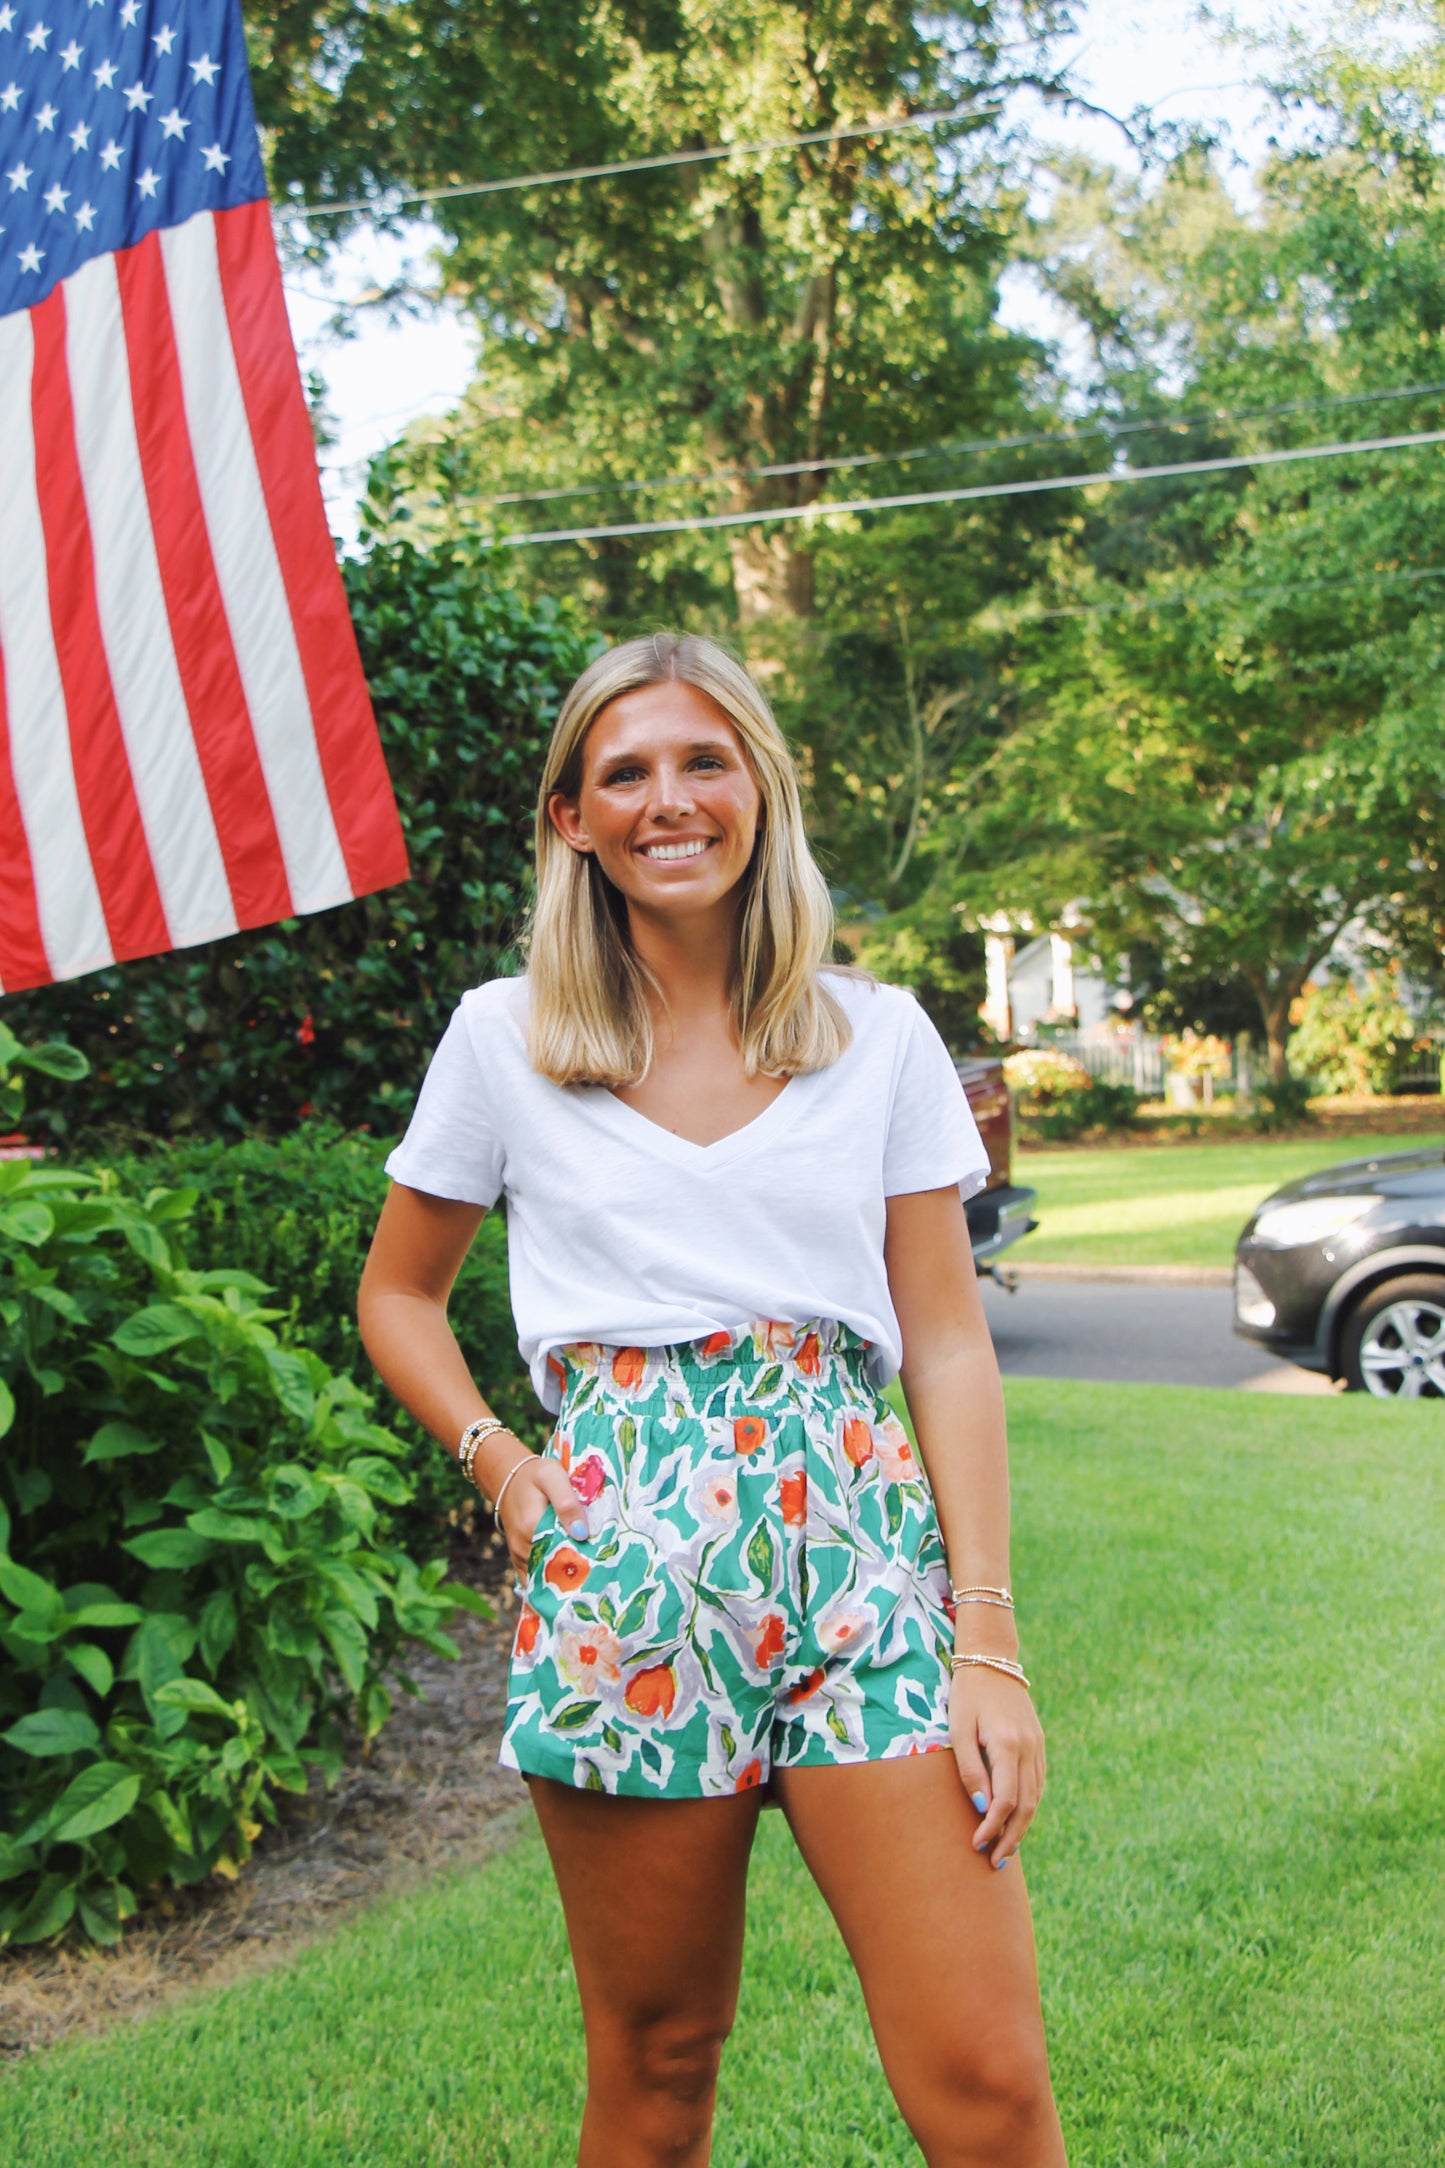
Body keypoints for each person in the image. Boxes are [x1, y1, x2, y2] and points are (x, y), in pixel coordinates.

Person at [357, 631, 1067, 2168]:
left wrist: (987, 1635)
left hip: (859, 1554)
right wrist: (498, 1462)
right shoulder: (501, 1038)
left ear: (761, 789)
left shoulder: (877, 1036)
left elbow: (946, 1342)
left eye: (703, 762)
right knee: (659, 2068)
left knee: (988, 2082)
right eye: (623, 774)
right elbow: (396, 1294)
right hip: (626, 1561)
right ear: (571, 819)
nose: (667, 801)